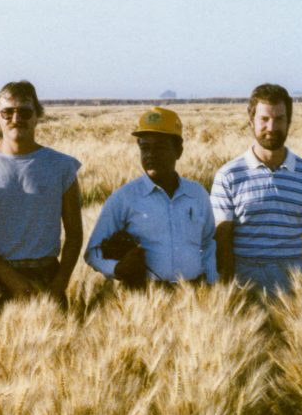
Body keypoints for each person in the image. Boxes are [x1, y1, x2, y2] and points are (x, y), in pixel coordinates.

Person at [0, 81, 82, 309]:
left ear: (37, 115)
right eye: (7, 112)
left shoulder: (62, 166)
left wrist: (60, 283)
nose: (16, 119)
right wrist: (10, 279)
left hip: (48, 276)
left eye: (25, 111)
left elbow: (74, 233)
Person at [211, 83, 302, 297]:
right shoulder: (228, 175)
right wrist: (226, 294)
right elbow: (222, 238)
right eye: (264, 119)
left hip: (295, 284)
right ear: (251, 121)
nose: (272, 127)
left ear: (289, 122)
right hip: (245, 284)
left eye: (279, 119)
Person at [85, 107, 217, 287]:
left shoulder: (197, 194)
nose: (150, 155)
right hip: (144, 297)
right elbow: (93, 252)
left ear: (178, 150)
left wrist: (211, 283)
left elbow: (208, 244)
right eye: (145, 148)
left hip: (195, 294)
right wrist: (117, 268)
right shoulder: (124, 198)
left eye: (159, 147)